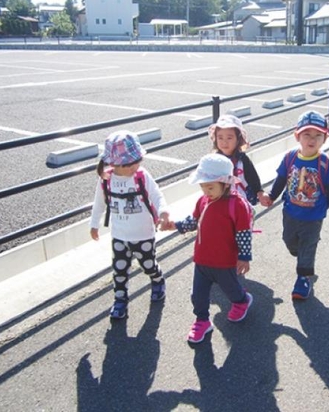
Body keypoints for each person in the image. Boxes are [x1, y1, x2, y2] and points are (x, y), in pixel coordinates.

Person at [161, 154, 253, 344]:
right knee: (198, 294)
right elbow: (194, 221)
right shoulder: (202, 201)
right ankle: (202, 320)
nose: (206, 191)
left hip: (225, 260)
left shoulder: (236, 205)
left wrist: (244, 256)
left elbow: (244, 232)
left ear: (226, 184)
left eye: (210, 187)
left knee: (231, 289)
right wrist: (175, 226)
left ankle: (242, 300)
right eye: (203, 186)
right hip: (202, 259)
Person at [259, 111, 329, 300]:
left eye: (318, 135)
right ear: (297, 136)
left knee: (307, 246)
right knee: (289, 241)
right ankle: (303, 256)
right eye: (307, 134)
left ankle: (303, 278)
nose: (312, 139)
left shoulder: (325, 163)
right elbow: (281, 179)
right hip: (290, 212)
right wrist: (271, 196)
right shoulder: (290, 157)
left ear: (324, 138)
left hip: (313, 217)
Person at [90, 130, 170, 319]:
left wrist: (163, 211)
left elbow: (156, 194)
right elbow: (99, 203)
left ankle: (157, 280)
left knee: (148, 264)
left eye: (137, 160)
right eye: (129, 163)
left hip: (143, 233)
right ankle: (120, 301)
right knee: (119, 270)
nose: (135, 165)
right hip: (119, 234)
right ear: (113, 163)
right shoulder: (106, 180)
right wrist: (94, 224)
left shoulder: (141, 176)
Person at [208, 114, 263, 205]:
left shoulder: (242, 158)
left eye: (229, 138)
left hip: (241, 200)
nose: (224, 142)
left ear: (238, 139)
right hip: (221, 201)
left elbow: (252, 177)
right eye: (220, 138)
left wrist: (259, 191)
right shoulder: (214, 160)